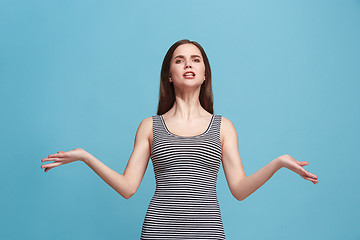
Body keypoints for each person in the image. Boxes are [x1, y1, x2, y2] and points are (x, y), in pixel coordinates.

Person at [41, 39, 319, 239]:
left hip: (208, 233)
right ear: (170, 76)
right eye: (179, 60)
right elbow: (128, 188)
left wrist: (279, 162)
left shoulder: (223, 127)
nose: (188, 64)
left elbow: (239, 189)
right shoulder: (150, 126)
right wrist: (86, 157)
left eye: (196, 59)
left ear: (205, 73)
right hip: (158, 231)